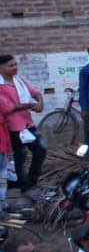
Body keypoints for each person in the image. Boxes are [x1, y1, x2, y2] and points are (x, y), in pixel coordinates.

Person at [0, 54, 44, 197]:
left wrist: (40, 102)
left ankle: (31, 180)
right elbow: (8, 108)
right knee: (21, 156)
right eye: (10, 65)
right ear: (1, 68)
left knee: (41, 149)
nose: (15, 67)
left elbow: (35, 92)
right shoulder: (1, 85)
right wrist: (31, 104)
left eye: (15, 64)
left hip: (27, 123)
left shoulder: (19, 80)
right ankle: (25, 186)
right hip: (13, 126)